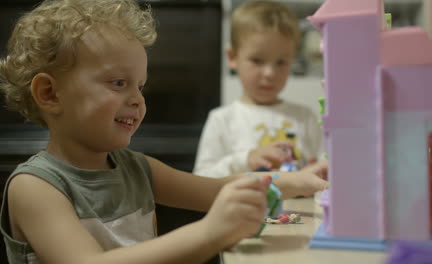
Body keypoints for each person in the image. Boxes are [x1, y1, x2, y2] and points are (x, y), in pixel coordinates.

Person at [0, 0, 327, 263]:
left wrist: (296, 182)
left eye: (140, 85)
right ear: (50, 94)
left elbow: (215, 188)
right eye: (118, 83)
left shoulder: (138, 169)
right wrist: (209, 233)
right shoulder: (34, 187)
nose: (138, 99)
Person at [194, 0, 323, 178]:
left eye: (281, 62)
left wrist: (316, 171)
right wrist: (246, 159)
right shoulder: (222, 120)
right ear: (232, 57)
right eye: (257, 60)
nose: (270, 73)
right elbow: (201, 180)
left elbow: (322, 169)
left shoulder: (304, 117)